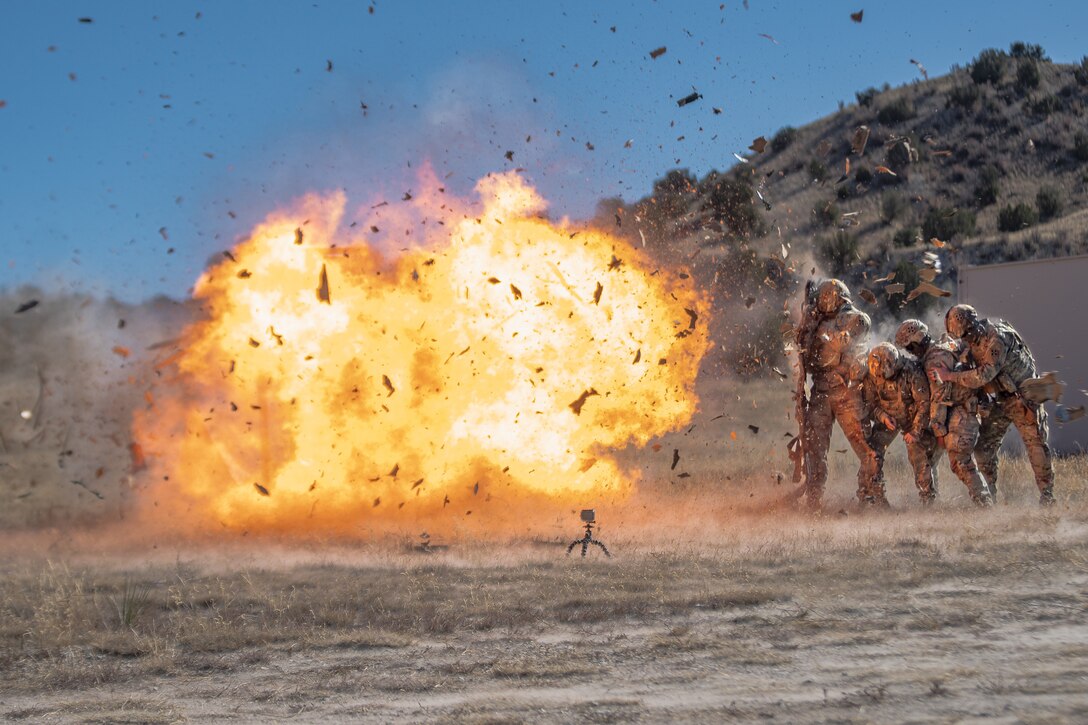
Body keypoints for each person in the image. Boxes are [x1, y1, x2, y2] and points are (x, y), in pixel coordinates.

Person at [931, 305, 1054, 505]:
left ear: (970, 327)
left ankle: (1047, 497)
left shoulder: (997, 338)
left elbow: (984, 375)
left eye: (965, 335)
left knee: (1036, 446)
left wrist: (950, 376)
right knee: (983, 449)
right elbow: (964, 360)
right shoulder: (973, 342)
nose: (965, 339)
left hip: (1024, 398)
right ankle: (990, 499)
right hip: (1001, 400)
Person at [796, 279, 882, 507]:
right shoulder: (816, 324)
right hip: (821, 392)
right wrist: (808, 328)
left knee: (864, 446)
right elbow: (806, 358)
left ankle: (872, 496)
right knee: (814, 446)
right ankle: (814, 499)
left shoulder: (856, 319)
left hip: (848, 392)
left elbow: (844, 343)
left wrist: (819, 331)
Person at [895, 320, 994, 506]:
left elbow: (939, 398)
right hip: (955, 410)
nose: (909, 351)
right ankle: (930, 503)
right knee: (924, 455)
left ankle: (985, 504)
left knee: (960, 461)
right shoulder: (943, 346)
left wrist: (938, 430)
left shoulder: (934, 359)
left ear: (916, 342)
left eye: (910, 347)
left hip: (960, 412)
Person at [864, 342, 939, 504]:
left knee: (918, 456)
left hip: (912, 420)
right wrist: (882, 416)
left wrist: (916, 431)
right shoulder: (872, 374)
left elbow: (924, 405)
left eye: (884, 373)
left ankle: (928, 499)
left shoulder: (912, 372)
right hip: (888, 418)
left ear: (893, 364)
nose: (881, 378)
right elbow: (869, 404)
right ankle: (873, 497)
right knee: (871, 452)